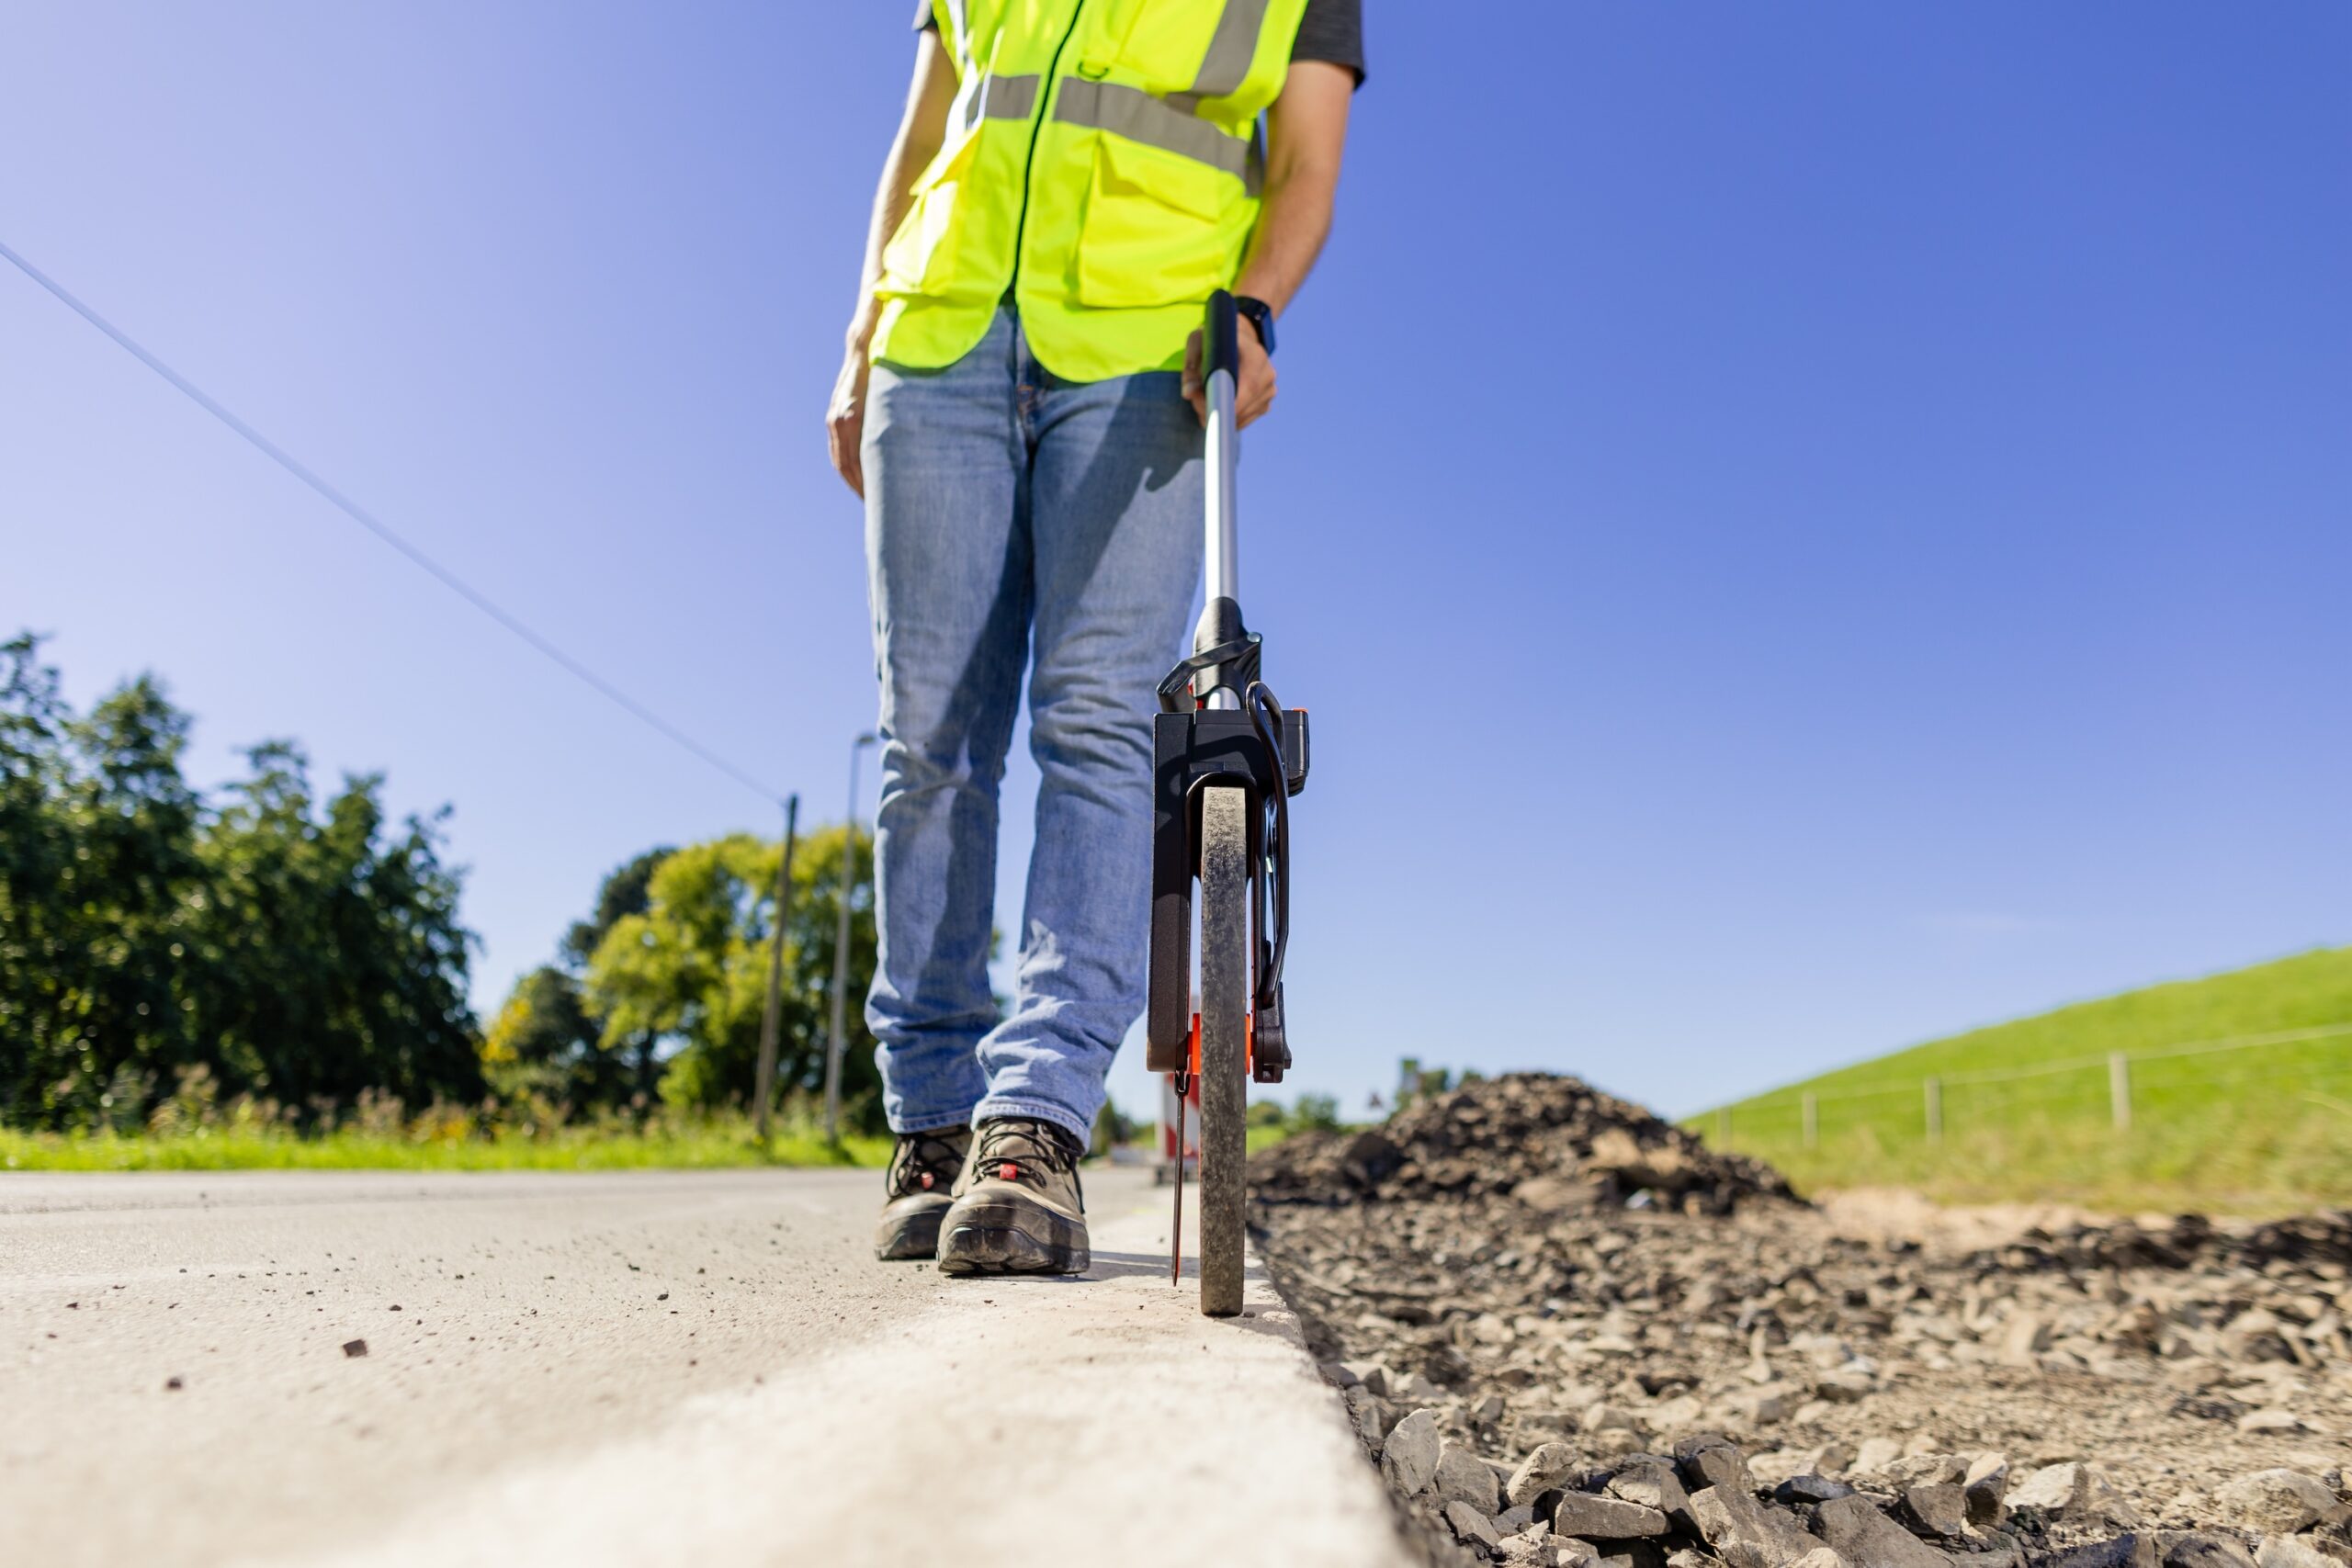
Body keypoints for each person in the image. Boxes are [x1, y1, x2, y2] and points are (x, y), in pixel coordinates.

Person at [826, 0, 1361, 1277]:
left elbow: (1305, 169)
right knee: (929, 741)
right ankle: (930, 1121)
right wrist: (862, 336)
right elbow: (920, 134)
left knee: (1097, 721)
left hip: (1146, 349)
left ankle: (1037, 1120)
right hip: (941, 330)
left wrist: (1259, 307)